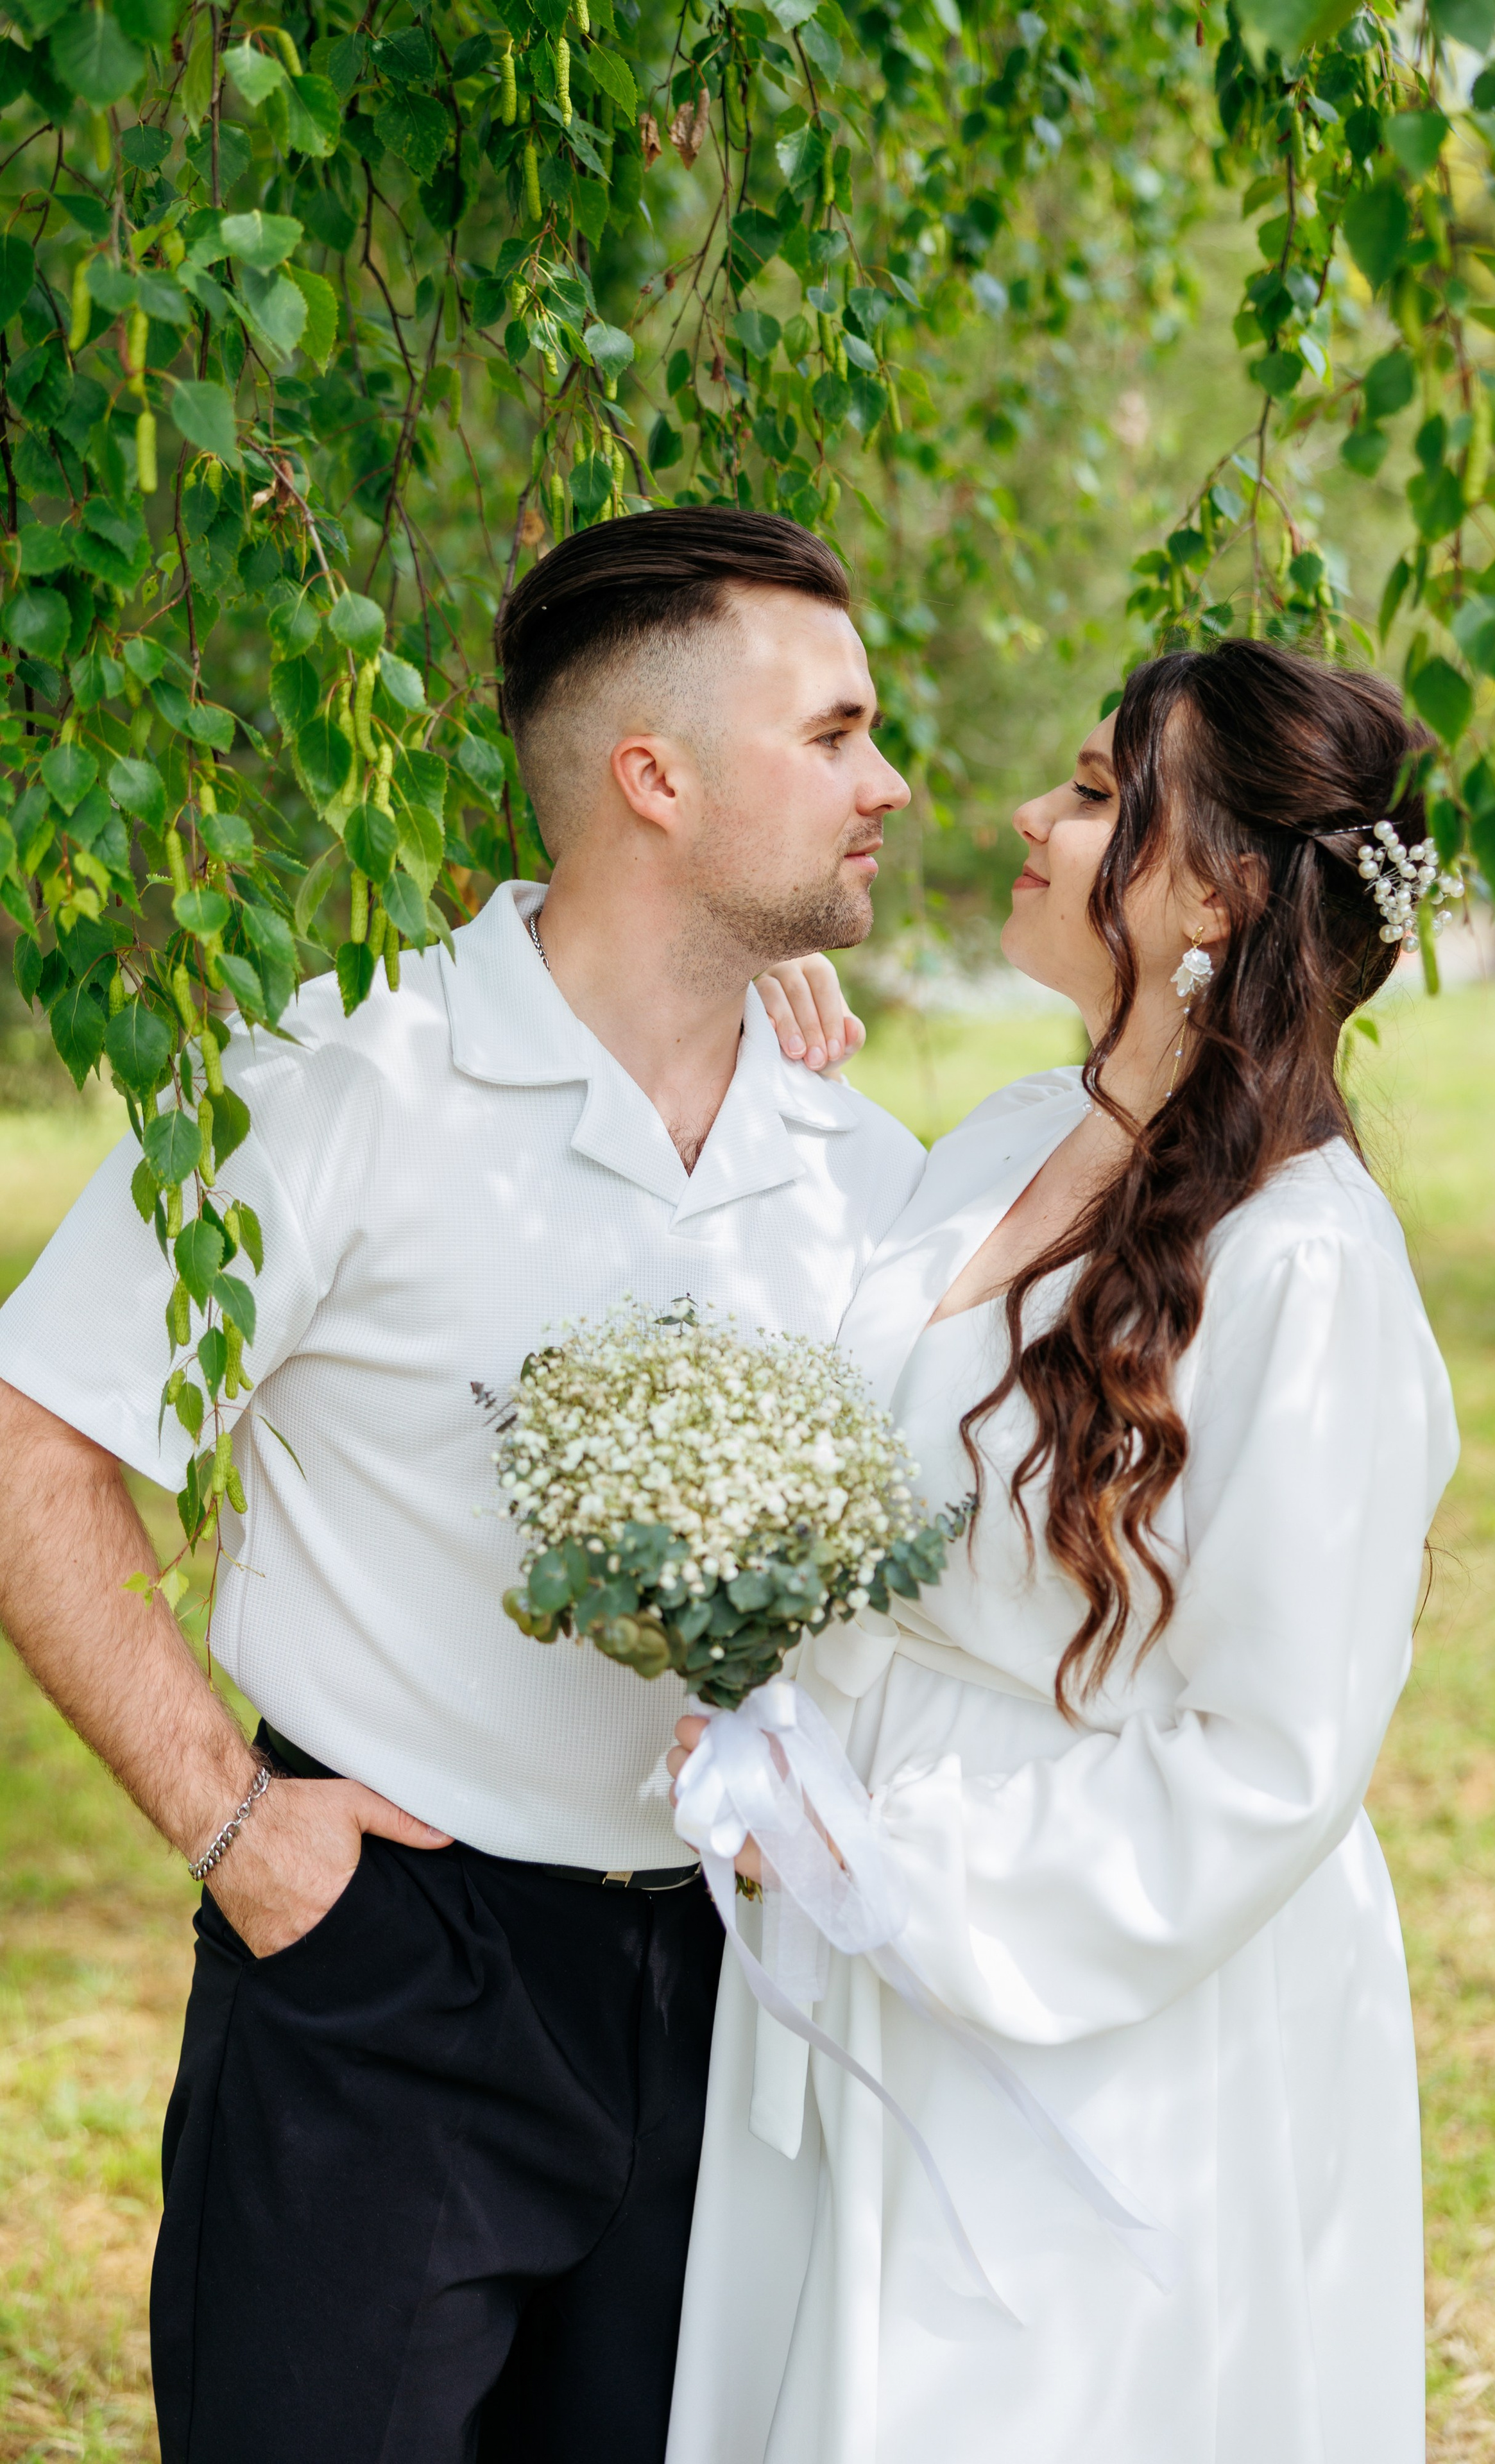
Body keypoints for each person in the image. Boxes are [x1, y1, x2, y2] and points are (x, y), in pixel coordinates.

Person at [0, 508, 924, 2463]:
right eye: (835, 734)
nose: (891, 783)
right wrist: (240, 1829)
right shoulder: (340, 1074)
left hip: (736, 2001)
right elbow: (35, 1445)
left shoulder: (859, 1161)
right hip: (389, 1971)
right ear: (651, 776)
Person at [665, 639, 1460, 2464]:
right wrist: (732, 989)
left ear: (1217, 892)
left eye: (1101, 791)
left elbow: (1271, 1766)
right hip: (849, 1921)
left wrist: (888, 1861)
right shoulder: (1017, 1133)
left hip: (1094, 1989)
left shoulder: (1304, 1266)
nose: (1031, 814)